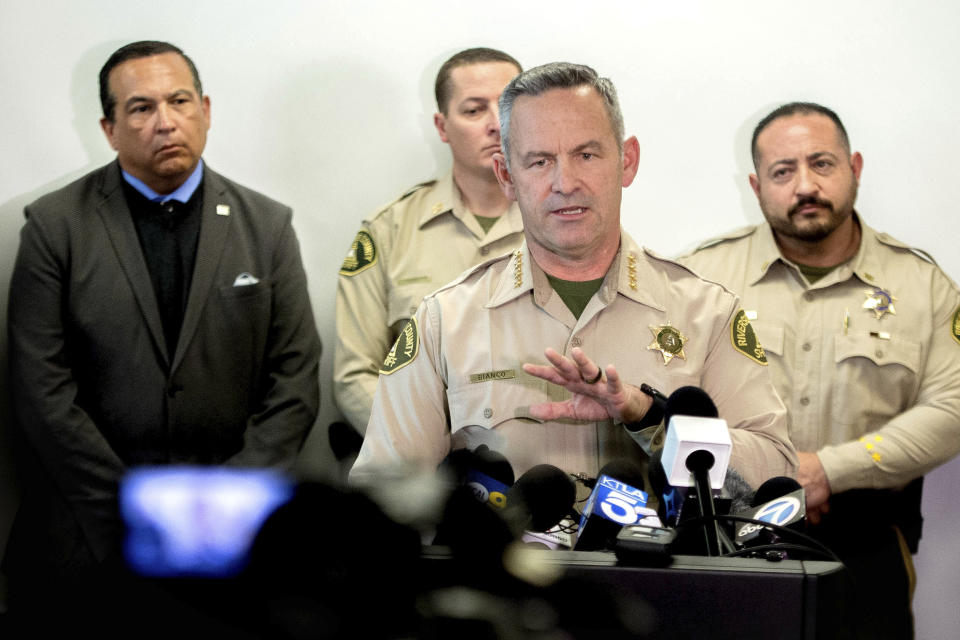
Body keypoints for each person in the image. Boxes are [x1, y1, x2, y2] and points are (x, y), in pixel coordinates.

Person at [350, 62, 796, 491]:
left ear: (627, 161)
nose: (565, 182)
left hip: (662, 570)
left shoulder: (707, 312)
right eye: (540, 162)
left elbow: (772, 475)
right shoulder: (444, 320)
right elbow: (385, 493)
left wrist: (648, 417)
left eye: (586, 154)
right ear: (507, 175)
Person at [4, 40, 321, 624]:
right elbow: (42, 392)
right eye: (141, 108)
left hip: (234, 545)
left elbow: (294, 383)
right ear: (109, 128)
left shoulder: (268, 225)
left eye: (179, 101)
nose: (166, 122)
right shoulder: (54, 227)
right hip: (87, 544)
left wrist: (221, 509)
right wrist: (134, 511)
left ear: (205, 108)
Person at [680, 102, 960, 638]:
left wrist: (828, 470)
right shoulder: (700, 277)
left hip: (865, 541)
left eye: (822, 164)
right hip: (727, 532)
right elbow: (665, 397)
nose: (804, 185)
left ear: (854, 167)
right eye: (783, 171)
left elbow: (951, 409)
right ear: (756, 185)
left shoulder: (923, 285)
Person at [333, 48, 525, 438]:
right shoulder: (389, 231)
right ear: (441, 126)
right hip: (424, 474)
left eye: (508, 106)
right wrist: (424, 444)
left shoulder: (567, 221)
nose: (495, 124)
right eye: (474, 110)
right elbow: (356, 375)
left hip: (542, 472)